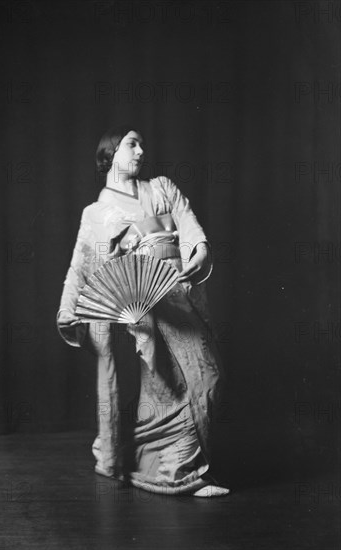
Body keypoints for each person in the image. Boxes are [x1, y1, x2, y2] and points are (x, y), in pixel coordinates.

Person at [57, 125, 229, 496]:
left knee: (206, 376)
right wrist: (71, 308)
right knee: (165, 388)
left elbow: (187, 222)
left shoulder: (162, 187)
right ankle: (183, 472)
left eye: (141, 145)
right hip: (141, 310)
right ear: (110, 153)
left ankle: (157, 461)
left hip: (175, 291)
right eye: (131, 145)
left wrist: (198, 249)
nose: (140, 152)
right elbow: (82, 266)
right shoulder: (96, 212)